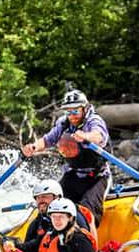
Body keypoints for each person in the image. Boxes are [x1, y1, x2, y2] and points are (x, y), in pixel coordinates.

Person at [21, 88, 111, 225]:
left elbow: (98, 136)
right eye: (68, 111)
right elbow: (47, 140)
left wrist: (86, 136)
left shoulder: (94, 121)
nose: (72, 115)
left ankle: (88, 241)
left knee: (87, 212)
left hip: (97, 177)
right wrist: (33, 147)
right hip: (73, 174)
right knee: (55, 205)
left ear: (85, 109)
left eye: (75, 111)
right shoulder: (63, 123)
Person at [3, 179, 63, 252]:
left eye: (44, 197)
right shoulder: (39, 221)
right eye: (38, 198)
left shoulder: (66, 219)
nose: (40, 201)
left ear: (57, 197)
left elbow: (38, 243)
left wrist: (17, 246)